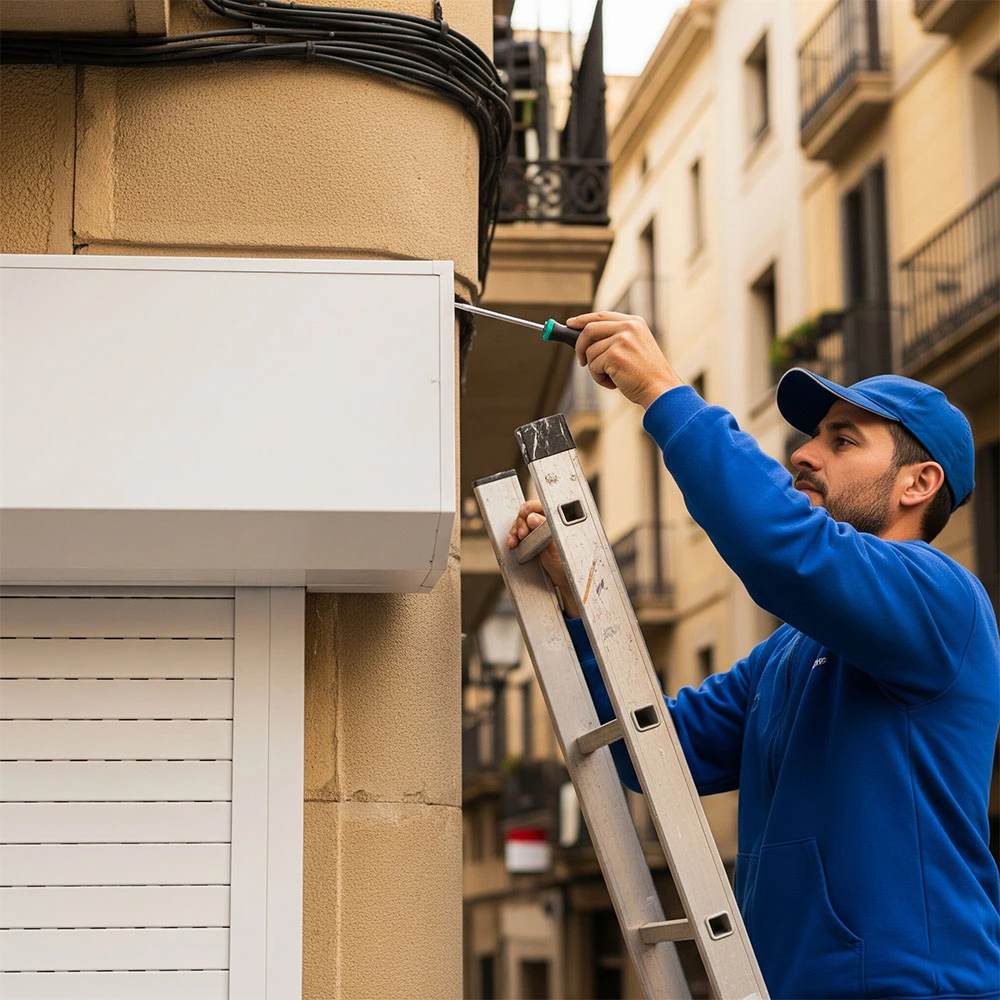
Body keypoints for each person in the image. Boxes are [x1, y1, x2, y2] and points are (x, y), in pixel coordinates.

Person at [506, 312, 1000, 1000]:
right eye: (813, 437)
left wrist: (664, 392)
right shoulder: (791, 652)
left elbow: (784, 549)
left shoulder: (943, 597)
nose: (805, 453)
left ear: (918, 483)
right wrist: (575, 606)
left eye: (843, 440)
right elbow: (651, 749)